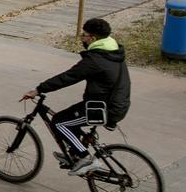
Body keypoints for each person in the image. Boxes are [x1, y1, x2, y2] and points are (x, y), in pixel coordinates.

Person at [22, 17, 131, 176]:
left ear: (93, 38)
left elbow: (68, 77)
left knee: (59, 122)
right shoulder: (113, 51)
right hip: (114, 104)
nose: (82, 38)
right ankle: (74, 152)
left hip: (103, 109)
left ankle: (85, 157)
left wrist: (38, 89)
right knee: (68, 118)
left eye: (84, 35)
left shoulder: (96, 59)